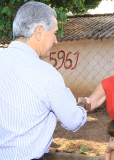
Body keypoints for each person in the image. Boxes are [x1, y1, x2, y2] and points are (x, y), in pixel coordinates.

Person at [0, 2, 88, 160]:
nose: (55, 41)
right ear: (39, 32)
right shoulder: (46, 74)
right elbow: (72, 121)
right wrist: (82, 106)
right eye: (54, 32)